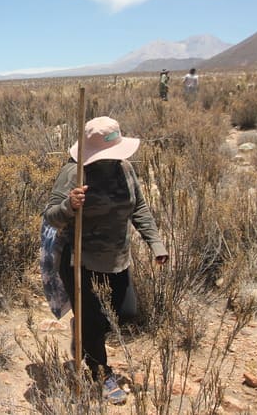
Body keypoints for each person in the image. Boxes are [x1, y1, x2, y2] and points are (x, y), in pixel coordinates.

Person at [43, 116, 168, 405]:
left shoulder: (124, 169)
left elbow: (139, 208)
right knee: (95, 324)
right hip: (81, 261)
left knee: (125, 312)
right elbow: (50, 216)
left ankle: (83, 332)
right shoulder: (73, 173)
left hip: (118, 258)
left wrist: (156, 243)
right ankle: (101, 374)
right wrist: (69, 205)